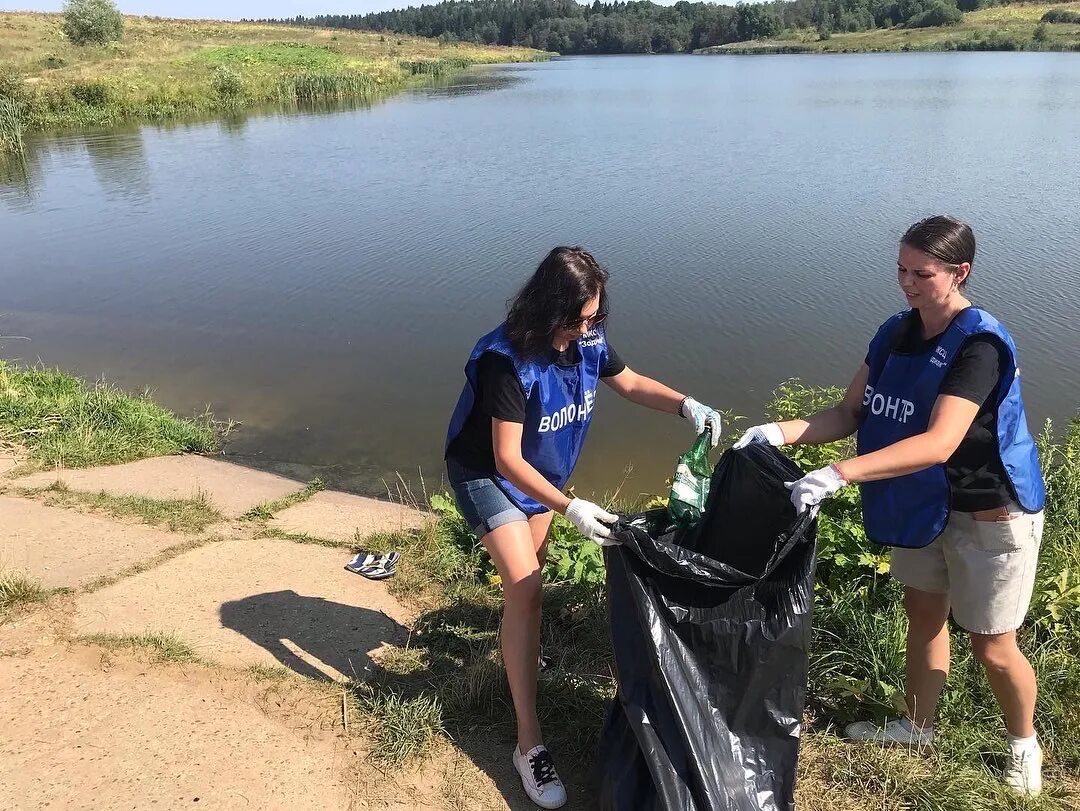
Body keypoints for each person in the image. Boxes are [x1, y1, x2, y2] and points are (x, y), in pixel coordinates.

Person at [735, 215, 1046, 796]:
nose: (906, 283)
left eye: (921, 273)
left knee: (993, 645)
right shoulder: (895, 333)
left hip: (989, 513)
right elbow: (850, 413)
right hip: (922, 504)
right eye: (900, 270)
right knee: (923, 617)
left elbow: (939, 441)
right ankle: (918, 727)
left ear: (960, 273)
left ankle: (1023, 745)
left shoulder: (979, 345)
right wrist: (777, 433)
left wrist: (838, 473)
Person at [445, 246, 721, 809]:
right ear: (547, 311)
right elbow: (504, 459)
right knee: (525, 587)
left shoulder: (588, 338)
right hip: (487, 473)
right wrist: (571, 507)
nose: (585, 329)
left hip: (539, 473)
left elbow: (632, 382)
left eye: (594, 318)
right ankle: (528, 742)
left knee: (529, 592)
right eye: (575, 321)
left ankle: (518, 650)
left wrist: (685, 405)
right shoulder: (507, 358)